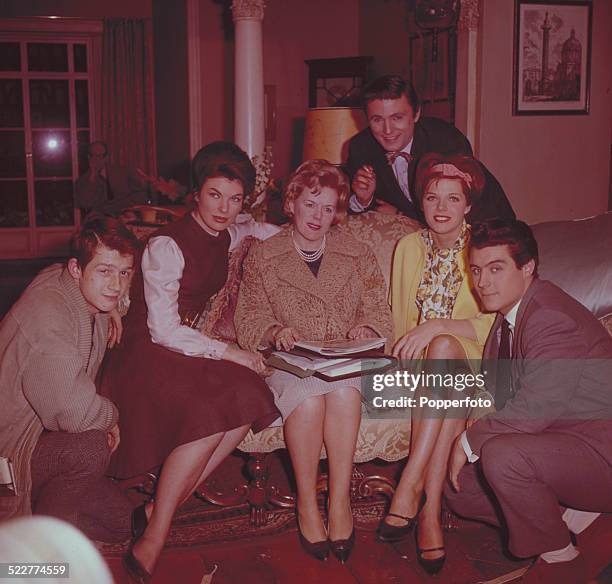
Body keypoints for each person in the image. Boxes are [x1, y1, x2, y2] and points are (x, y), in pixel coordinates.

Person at [99, 141, 279, 581]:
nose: (225, 208)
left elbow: (258, 229)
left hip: (185, 348)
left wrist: (308, 228)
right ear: (196, 192)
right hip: (146, 352)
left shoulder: (227, 230)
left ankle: (155, 508)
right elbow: (162, 330)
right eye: (215, 195)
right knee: (212, 408)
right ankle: (157, 533)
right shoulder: (166, 244)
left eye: (235, 199)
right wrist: (230, 351)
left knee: (251, 395)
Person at [235, 160, 393, 563]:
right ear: (292, 203)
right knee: (306, 401)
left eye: (327, 208)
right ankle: (307, 503)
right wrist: (274, 331)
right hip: (293, 361)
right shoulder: (265, 255)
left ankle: (339, 503)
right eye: (310, 204)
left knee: (342, 395)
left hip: (346, 360)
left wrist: (366, 325)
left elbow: (379, 305)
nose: (318, 217)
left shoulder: (357, 253)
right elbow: (249, 315)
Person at [446, 219, 612, 584]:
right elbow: (497, 388)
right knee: (459, 490)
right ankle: (581, 520)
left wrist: (468, 440)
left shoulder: (548, 315)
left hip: (602, 454)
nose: (483, 282)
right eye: (476, 270)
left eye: (495, 268)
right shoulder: (508, 317)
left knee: (502, 455)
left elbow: (536, 409)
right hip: (565, 443)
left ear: (527, 267)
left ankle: (562, 562)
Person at [378, 153, 495, 575]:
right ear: (421, 203)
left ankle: (409, 484)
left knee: (445, 345)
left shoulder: (483, 247)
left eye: (452, 198)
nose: (441, 207)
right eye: (432, 197)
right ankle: (427, 514)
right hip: (424, 370)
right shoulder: (407, 247)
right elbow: (396, 317)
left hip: (475, 359)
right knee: (443, 377)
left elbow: (494, 320)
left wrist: (437, 328)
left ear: (468, 206)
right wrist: (404, 351)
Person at [0, 217, 140, 542]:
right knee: (90, 448)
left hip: (34, 441)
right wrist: (111, 416)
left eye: (124, 273)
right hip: (6, 458)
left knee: (126, 523)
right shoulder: (49, 320)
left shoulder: (65, 281)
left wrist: (110, 308)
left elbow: (58, 271)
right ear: (76, 269)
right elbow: (75, 415)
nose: (116, 286)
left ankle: (43, 514)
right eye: (105, 271)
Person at [345, 75, 515, 223]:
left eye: (397, 118)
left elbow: (453, 211)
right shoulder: (361, 148)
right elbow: (346, 209)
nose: (387, 130)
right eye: (377, 120)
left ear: (417, 113)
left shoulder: (446, 142)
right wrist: (363, 199)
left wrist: (400, 215)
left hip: (486, 226)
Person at [74, 141, 148, 216]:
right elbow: (84, 203)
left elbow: (141, 195)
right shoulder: (82, 181)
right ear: (89, 157)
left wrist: (127, 207)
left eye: (101, 156)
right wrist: (92, 176)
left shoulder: (123, 172)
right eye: (94, 156)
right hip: (99, 220)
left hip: (125, 215)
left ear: (106, 157)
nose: (97, 159)